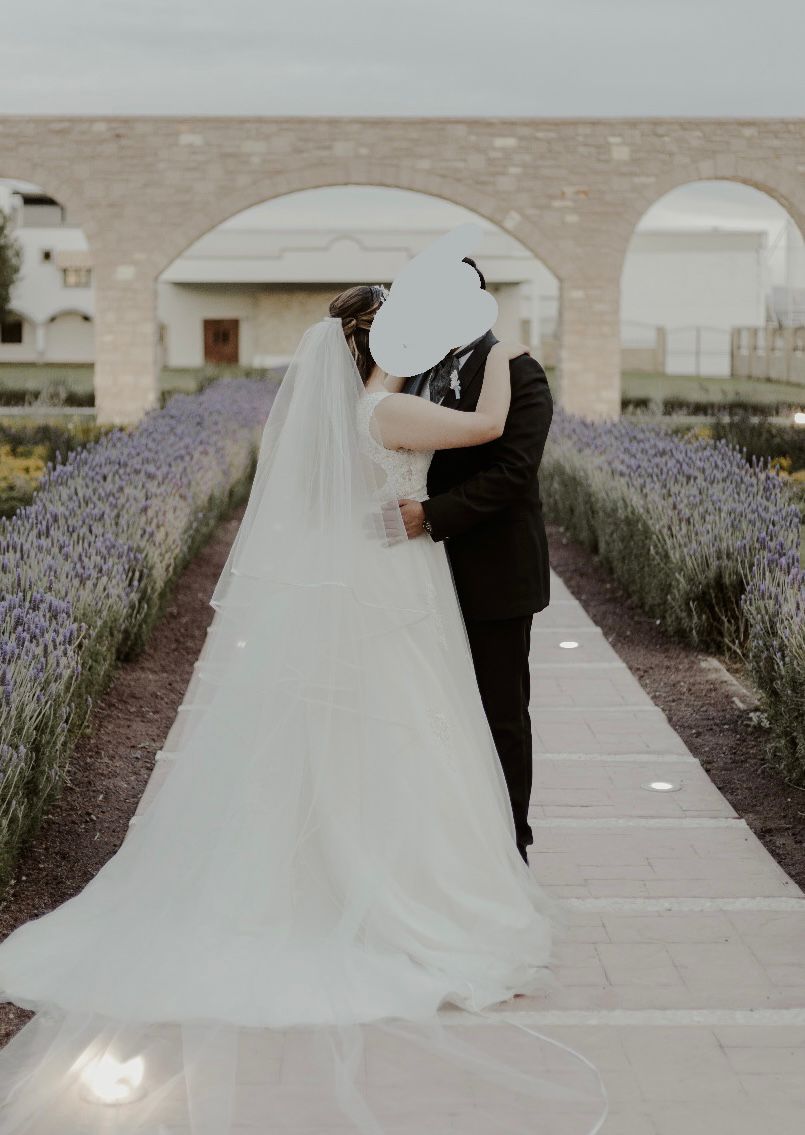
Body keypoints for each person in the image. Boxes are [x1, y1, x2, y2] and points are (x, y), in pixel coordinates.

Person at [0, 284, 605, 1135]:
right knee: (414, 731)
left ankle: (356, 858)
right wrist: (506, 358)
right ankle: (401, 881)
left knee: (376, 732)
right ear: (381, 342)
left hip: (381, 574)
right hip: (399, 583)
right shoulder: (388, 411)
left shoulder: (362, 410)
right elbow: (483, 431)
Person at [398, 257, 554, 864]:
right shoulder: (419, 371)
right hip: (420, 575)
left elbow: (515, 473)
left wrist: (432, 516)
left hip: (494, 573)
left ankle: (511, 843)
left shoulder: (518, 369)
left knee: (500, 713)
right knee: (435, 711)